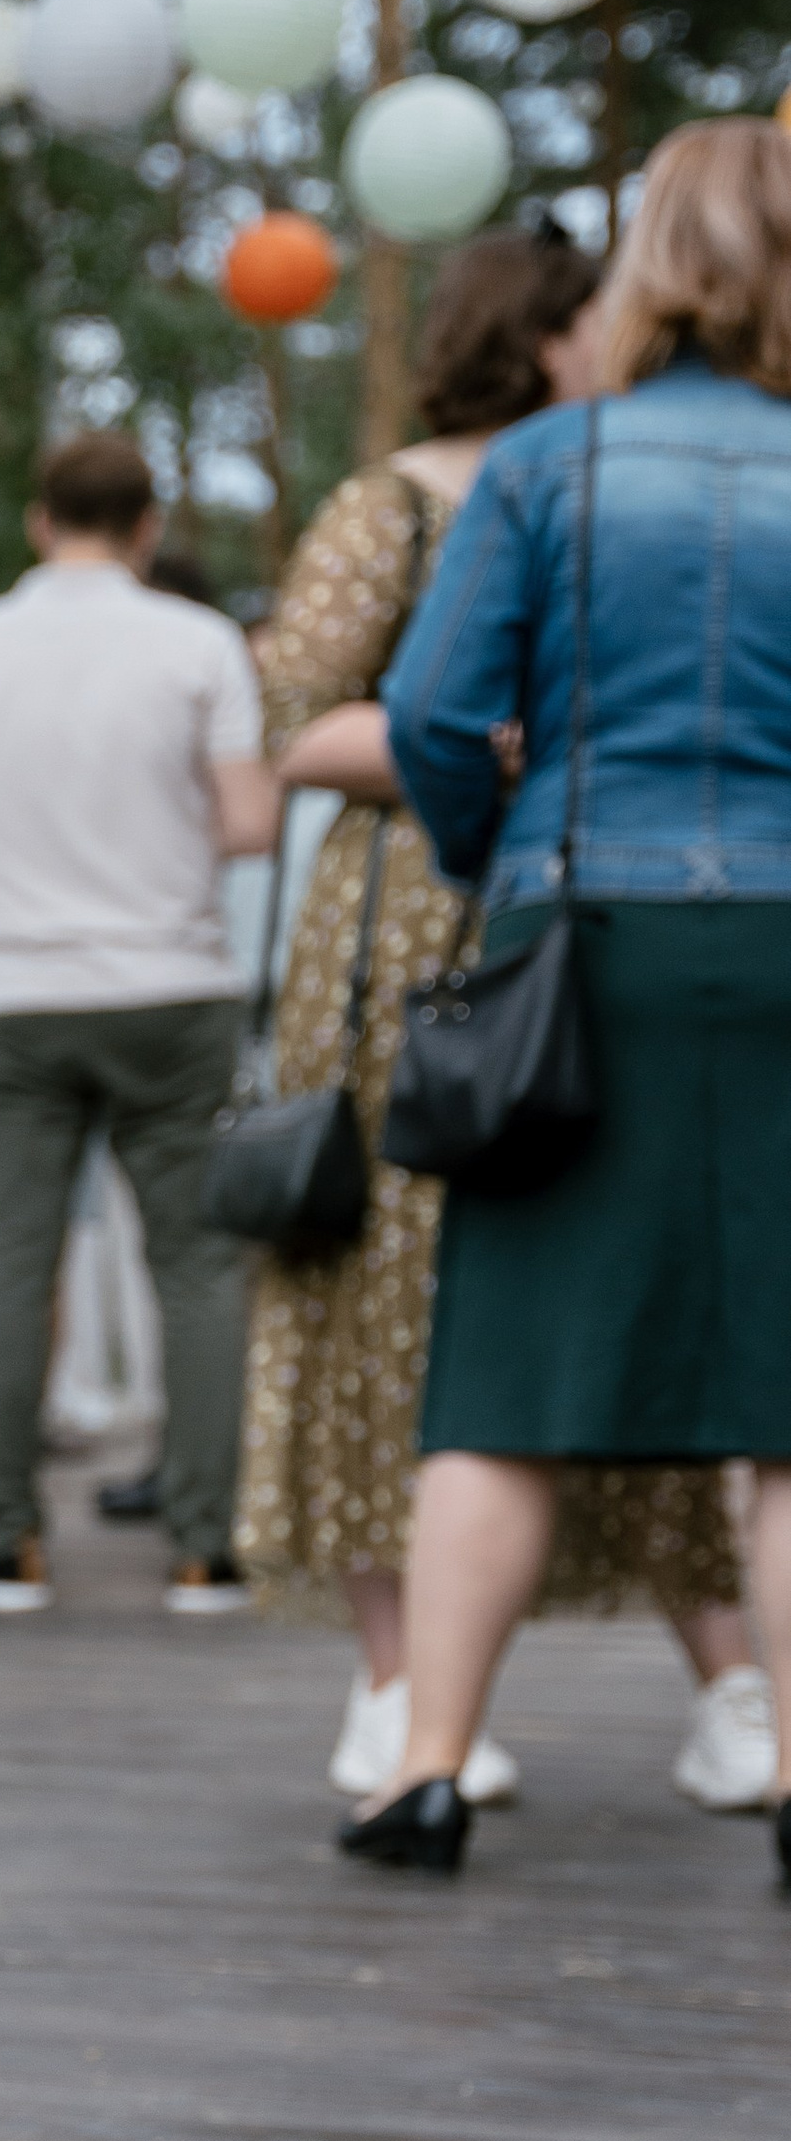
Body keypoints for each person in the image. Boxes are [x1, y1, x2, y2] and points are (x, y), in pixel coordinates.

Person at [240, 227, 758, 1814]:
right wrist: (500, 753)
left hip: (595, 912)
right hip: (419, 934)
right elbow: (291, 715)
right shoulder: (399, 500)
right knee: (399, 1306)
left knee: (658, 1296)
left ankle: (729, 1677)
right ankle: (400, 1686)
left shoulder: (632, 476)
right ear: (547, 340)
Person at [349, 120, 791, 1879]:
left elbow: (437, 721)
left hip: (576, 943)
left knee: (504, 1378)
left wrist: (498, 860)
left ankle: (431, 1771)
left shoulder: (547, 470)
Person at [0, 429, 278, 1616]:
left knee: (13, 1258)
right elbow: (250, 821)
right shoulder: (201, 644)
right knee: (199, 1266)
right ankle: (209, 1546)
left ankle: (5, 1542)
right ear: (149, 525)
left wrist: (4, 854)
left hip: (15, 990)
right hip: (170, 981)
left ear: (36, 520)